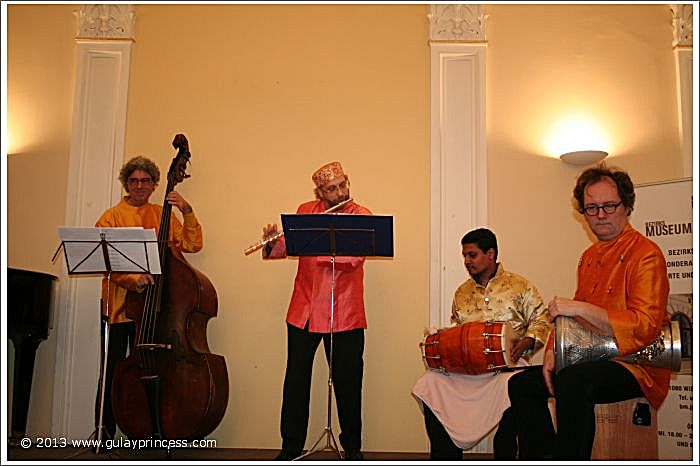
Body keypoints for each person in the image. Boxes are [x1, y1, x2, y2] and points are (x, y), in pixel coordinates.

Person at [507, 164, 671, 460]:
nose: (600, 215)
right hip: (591, 357)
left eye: (609, 205)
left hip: (637, 364)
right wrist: (552, 351)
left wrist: (579, 307)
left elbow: (645, 327)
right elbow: (573, 322)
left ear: (628, 205)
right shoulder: (589, 257)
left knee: (573, 380)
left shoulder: (646, 254)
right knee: (521, 384)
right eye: (591, 208)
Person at [261, 161, 372, 461]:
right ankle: (291, 447)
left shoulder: (361, 215)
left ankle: (352, 449)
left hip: (344, 311)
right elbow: (290, 246)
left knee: (348, 383)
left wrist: (317, 246)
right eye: (331, 189)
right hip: (304, 309)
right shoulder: (305, 210)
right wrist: (272, 243)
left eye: (342, 186)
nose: (339, 193)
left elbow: (353, 259)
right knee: (296, 380)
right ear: (320, 192)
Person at [412, 228, 551, 460]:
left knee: (517, 387)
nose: (467, 261)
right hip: (471, 370)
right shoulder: (461, 292)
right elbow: (458, 330)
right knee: (429, 384)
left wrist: (528, 340)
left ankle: (506, 454)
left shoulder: (520, 285)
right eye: (464, 255)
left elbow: (542, 319)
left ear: (490, 254)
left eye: (472, 255)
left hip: (508, 368)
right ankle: (445, 457)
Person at [94, 156, 203, 441]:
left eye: (145, 181)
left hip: (157, 312)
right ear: (126, 183)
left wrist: (187, 210)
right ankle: (104, 434)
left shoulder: (160, 213)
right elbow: (107, 261)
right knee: (114, 373)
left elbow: (192, 245)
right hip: (120, 308)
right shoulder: (111, 217)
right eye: (134, 181)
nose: (139, 186)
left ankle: (149, 431)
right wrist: (134, 280)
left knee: (153, 370)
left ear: (155, 185)